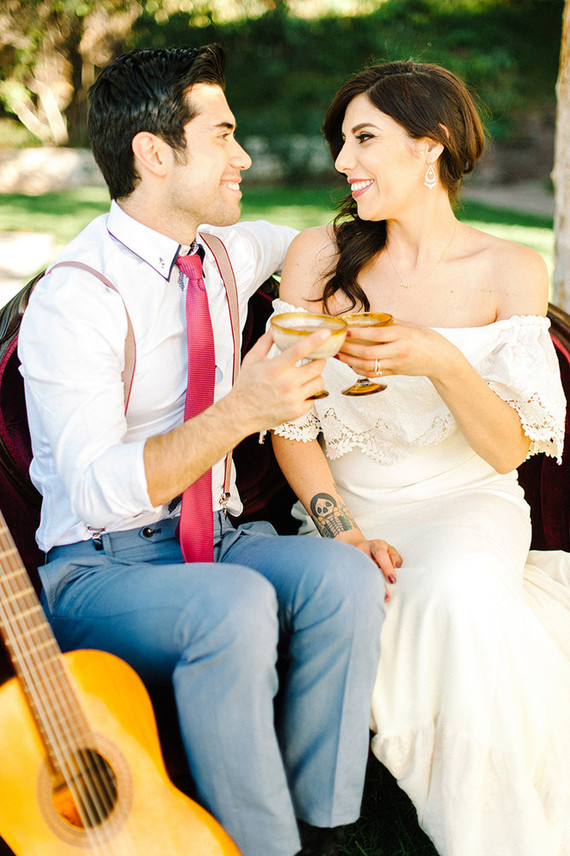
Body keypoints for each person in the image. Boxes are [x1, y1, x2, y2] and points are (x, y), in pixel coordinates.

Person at [17, 46, 389, 856]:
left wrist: (384, 267)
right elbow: (92, 491)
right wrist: (242, 410)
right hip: (101, 567)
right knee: (233, 605)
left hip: (219, 538)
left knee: (345, 577)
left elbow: (314, 244)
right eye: (223, 135)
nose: (245, 156)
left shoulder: (222, 250)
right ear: (155, 153)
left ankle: (322, 828)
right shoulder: (77, 296)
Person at [271, 60, 570, 856]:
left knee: (453, 594)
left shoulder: (510, 269)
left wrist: (440, 358)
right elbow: (289, 425)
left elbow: (511, 448)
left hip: (468, 503)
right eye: (342, 142)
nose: (342, 162)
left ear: (430, 148)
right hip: (346, 507)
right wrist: (337, 532)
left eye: (364, 139)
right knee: (377, 588)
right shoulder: (318, 259)